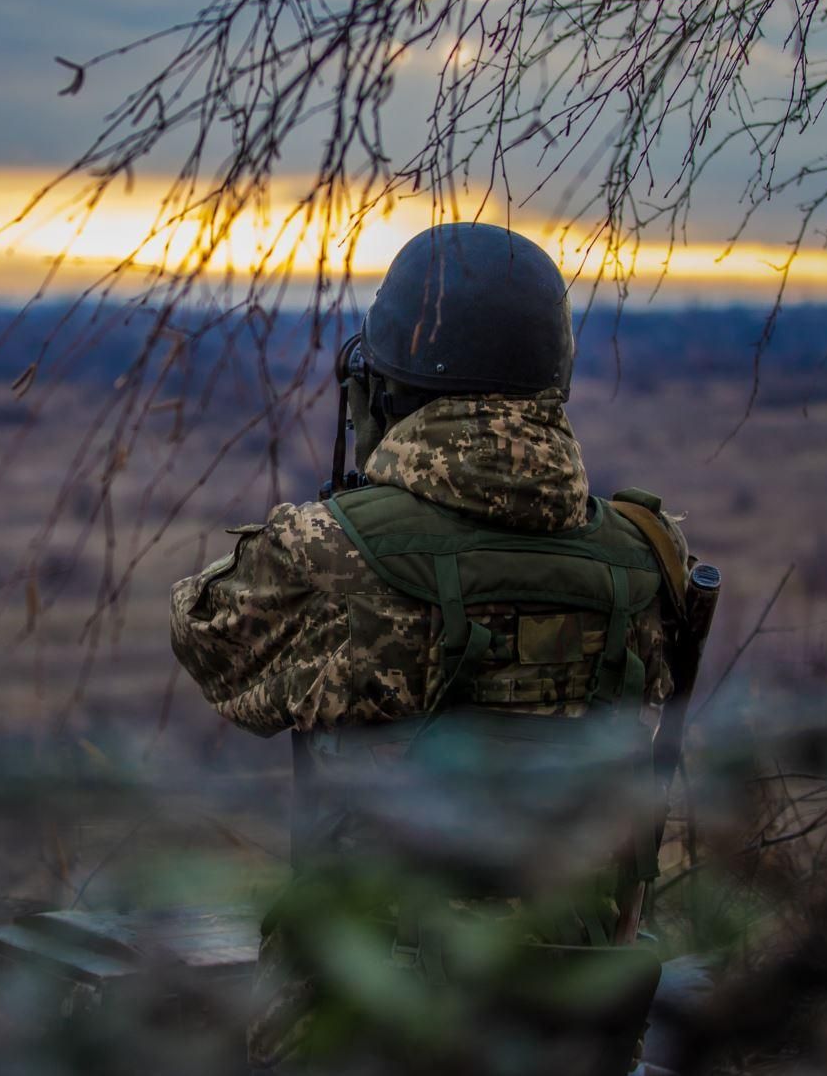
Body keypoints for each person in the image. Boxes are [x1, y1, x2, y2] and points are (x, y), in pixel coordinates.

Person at [169, 223, 709, 1074]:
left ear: (384, 385)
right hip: (571, 997)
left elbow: (205, 638)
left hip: (365, 1006)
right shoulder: (646, 558)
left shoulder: (337, 552)